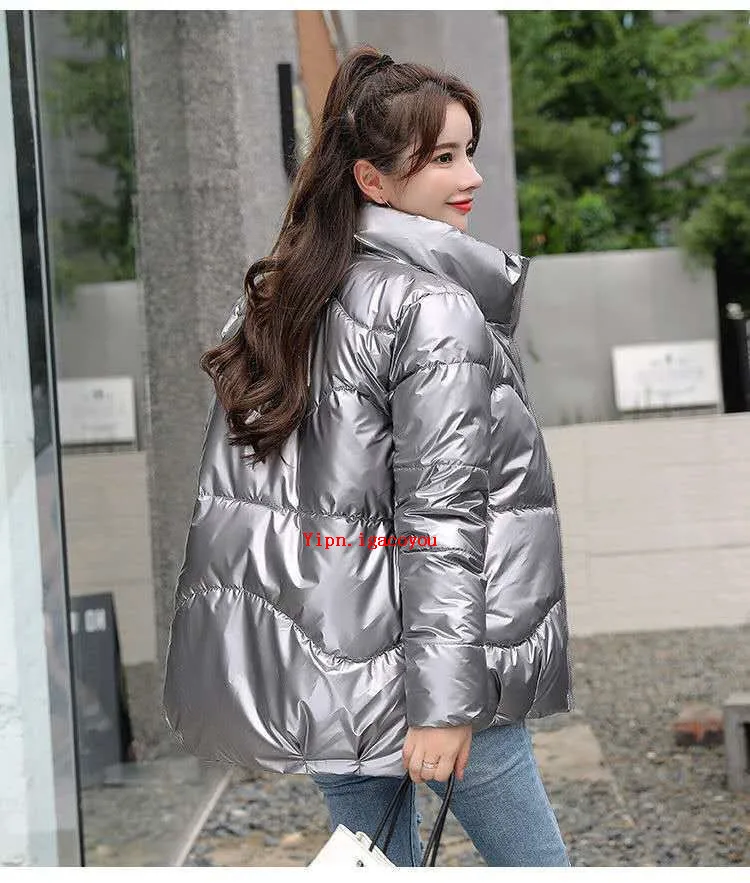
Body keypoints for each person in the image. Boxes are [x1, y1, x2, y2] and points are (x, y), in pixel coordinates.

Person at [163, 45, 574, 867]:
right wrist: (447, 705)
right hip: (439, 683)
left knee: (376, 866)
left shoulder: (280, 302)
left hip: (331, 674)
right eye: (443, 158)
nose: (472, 176)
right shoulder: (433, 308)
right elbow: (440, 518)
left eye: (469, 151)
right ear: (371, 180)